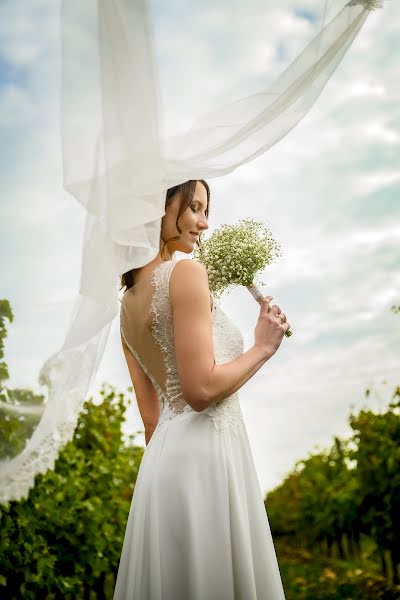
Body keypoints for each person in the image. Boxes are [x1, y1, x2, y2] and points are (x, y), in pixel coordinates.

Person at [113, 179, 290, 599]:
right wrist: (263, 347)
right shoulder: (186, 272)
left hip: (162, 468)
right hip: (207, 457)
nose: (205, 223)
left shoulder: (125, 305)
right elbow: (201, 389)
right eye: (194, 208)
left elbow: (152, 421)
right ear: (160, 206)